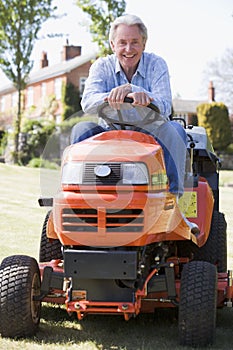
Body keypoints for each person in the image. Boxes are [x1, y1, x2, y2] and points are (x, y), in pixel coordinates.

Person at [71, 14, 199, 234]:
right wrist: (110, 96)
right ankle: (83, 203)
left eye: (134, 42)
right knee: (81, 130)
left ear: (144, 44)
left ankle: (173, 206)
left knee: (175, 130)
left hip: (151, 134)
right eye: (122, 42)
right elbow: (87, 102)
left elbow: (165, 105)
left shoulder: (157, 64)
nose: (128, 49)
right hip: (111, 133)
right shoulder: (101, 67)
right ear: (113, 45)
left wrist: (139, 93)